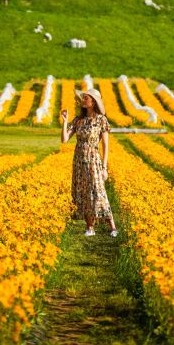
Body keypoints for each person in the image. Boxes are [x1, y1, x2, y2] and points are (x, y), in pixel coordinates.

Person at [61, 88, 118, 237]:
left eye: (86, 98)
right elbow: (64, 140)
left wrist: (104, 167)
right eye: (83, 98)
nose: (83, 100)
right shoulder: (78, 120)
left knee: (98, 190)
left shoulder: (101, 120)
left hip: (93, 159)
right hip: (79, 160)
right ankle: (90, 228)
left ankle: (113, 227)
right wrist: (65, 121)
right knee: (83, 191)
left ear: (93, 102)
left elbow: (106, 145)